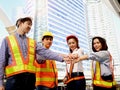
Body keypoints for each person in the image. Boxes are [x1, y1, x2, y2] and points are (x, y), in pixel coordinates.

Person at [0, 17, 74, 90]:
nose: (30, 27)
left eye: (31, 25)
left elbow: (46, 52)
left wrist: (63, 58)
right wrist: (0, 82)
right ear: (20, 23)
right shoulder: (7, 40)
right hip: (14, 79)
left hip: (30, 80)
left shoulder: (33, 42)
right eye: (28, 24)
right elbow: (1, 61)